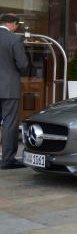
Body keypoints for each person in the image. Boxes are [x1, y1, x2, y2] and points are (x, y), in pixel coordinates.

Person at [0, 14, 28, 169]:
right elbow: (23, 63)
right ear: (12, 24)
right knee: (10, 124)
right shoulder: (14, 39)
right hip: (8, 87)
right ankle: (7, 160)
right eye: (17, 25)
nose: (17, 28)